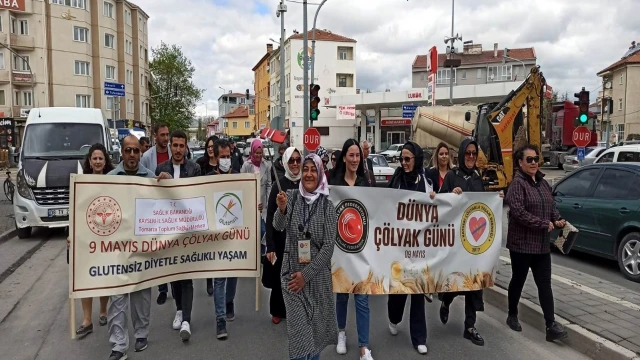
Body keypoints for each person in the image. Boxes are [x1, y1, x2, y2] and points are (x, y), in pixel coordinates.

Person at [106, 135, 172, 360]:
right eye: (128, 150)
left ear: (140, 153)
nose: (132, 155)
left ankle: (141, 333)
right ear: (122, 153)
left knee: (142, 293)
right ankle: (118, 344)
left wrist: (168, 181)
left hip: (143, 247)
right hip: (117, 249)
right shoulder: (110, 179)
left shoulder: (151, 177)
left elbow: (168, 204)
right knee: (117, 296)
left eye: (136, 151)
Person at [273, 153, 338, 360]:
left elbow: (328, 247)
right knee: (300, 339)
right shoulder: (290, 197)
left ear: (320, 174)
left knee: (315, 338)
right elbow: (278, 226)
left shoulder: (328, 207)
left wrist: (306, 275)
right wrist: (281, 210)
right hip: (292, 279)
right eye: (305, 169)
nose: (309, 174)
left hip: (317, 280)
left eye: (313, 170)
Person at [505, 144, 568, 342]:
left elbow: (551, 205)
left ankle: (551, 326)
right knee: (519, 280)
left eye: (536, 159)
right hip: (521, 244)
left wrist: (557, 219)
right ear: (520, 162)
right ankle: (512, 314)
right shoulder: (517, 184)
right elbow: (518, 212)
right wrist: (543, 223)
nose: (534, 163)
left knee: (544, 285)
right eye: (529, 159)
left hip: (541, 245)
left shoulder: (543, 183)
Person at [437, 138, 491, 347]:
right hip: (456, 242)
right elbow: (440, 204)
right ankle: (446, 301)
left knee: (474, 284)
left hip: (474, 242)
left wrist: (496, 199)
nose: (470, 157)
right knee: (455, 282)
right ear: (461, 154)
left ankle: (470, 326)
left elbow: (484, 207)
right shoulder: (452, 176)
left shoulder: (478, 178)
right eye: (467, 153)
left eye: (473, 153)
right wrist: (451, 194)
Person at [386, 141, 432, 355]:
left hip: (419, 248)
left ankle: (419, 337)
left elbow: (440, 207)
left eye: (407, 159)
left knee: (417, 291)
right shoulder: (395, 181)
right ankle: (393, 318)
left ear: (416, 159)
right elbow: (384, 205)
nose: (403, 163)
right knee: (398, 292)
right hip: (398, 246)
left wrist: (435, 199)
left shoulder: (426, 182)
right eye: (401, 159)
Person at [155, 130, 201, 342]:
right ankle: (180, 309)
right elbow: (157, 199)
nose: (178, 149)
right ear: (170, 146)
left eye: (182, 146)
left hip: (188, 230)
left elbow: (199, 196)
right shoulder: (161, 168)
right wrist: (160, 182)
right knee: (173, 274)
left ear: (186, 148)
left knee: (187, 277)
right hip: (168, 231)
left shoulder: (194, 168)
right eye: (175, 145)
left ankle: (187, 320)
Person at [330, 139, 373, 360]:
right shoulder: (333, 184)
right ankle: (341, 334)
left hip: (361, 252)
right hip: (340, 251)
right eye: (351, 155)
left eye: (358, 156)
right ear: (344, 157)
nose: (355, 159)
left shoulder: (365, 184)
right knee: (342, 296)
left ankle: (364, 347)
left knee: (362, 298)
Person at [73, 143, 114, 338]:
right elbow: (74, 210)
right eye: (94, 158)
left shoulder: (114, 182)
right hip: (86, 238)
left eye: (101, 158)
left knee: (103, 276)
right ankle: (87, 320)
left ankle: (103, 311)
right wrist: (71, 234)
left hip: (107, 236)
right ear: (89, 161)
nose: (97, 161)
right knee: (84, 278)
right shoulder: (80, 183)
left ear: (105, 162)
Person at [204, 138, 240, 339]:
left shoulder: (239, 178)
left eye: (229, 156)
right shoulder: (208, 179)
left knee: (233, 274)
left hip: (235, 236)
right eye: (223, 157)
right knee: (219, 278)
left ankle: (229, 301)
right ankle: (220, 320)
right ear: (216, 158)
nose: (226, 160)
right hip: (216, 238)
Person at [264, 147, 302, 324]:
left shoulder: (306, 183)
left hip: (301, 241)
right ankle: (277, 310)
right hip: (281, 240)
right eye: (291, 160)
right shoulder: (277, 186)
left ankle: (297, 309)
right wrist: (270, 245)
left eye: (297, 160)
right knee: (281, 275)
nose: (295, 164)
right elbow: (270, 216)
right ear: (286, 163)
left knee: (298, 276)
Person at [140, 123, 172, 305]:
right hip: (154, 208)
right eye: (162, 135)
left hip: (170, 207)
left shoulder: (173, 153)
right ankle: (162, 288)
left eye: (167, 134)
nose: (166, 138)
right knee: (158, 250)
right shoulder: (146, 157)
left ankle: (174, 283)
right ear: (155, 136)